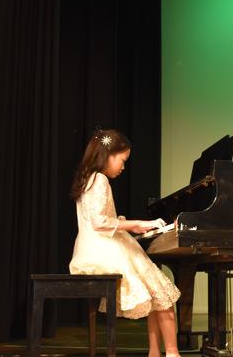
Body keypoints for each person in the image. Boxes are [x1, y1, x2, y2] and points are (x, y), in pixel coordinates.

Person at [69, 128, 181, 357]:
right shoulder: (100, 179)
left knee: (154, 295)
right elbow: (100, 222)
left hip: (88, 249)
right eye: (122, 160)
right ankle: (171, 352)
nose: (123, 167)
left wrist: (131, 224)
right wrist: (137, 223)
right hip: (106, 249)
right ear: (108, 155)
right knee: (163, 293)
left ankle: (154, 352)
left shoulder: (87, 179)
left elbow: (99, 219)